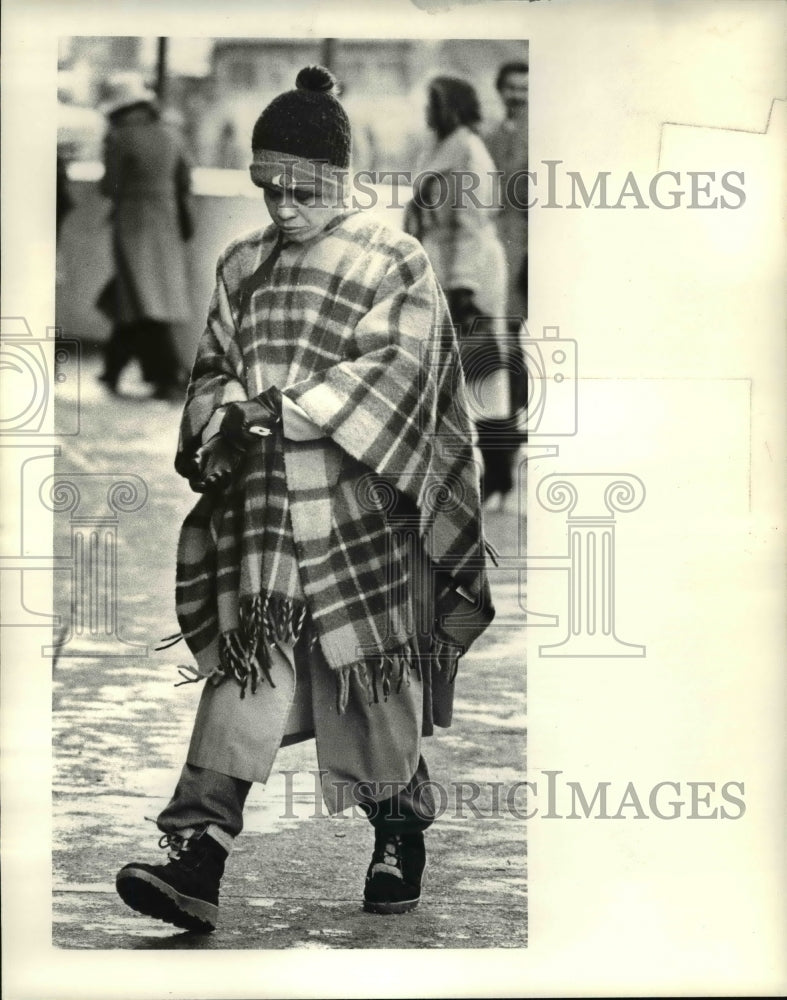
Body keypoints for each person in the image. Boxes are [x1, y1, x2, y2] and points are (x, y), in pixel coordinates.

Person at [115, 66, 494, 933]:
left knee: (369, 681)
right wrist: (217, 424)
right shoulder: (241, 262)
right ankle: (197, 855)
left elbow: (403, 374)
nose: (282, 207)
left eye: (301, 189)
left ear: (339, 178)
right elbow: (212, 366)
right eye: (269, 188)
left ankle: (399, 823)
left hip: (364, 506)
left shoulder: (390, 256)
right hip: (268, 509)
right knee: (250, 669)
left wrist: (280, 408)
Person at [404, 75, 517, 509]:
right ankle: (454, 475)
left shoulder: (468, 151)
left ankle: (498, 474)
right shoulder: (438, 147)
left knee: (482, 374)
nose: (427, 111)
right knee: (445, 377)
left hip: (466, 272)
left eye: (434, 103)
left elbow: (471, 225)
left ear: (451, 106)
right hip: (439, 267)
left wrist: (463, 289)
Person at [97, 73, 193, 400]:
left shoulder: (119, 137)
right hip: (166, 221)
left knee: (137, 299)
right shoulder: (172, 133)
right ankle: (113, 369)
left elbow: (109, 186)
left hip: (132, 222)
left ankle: (166, 375)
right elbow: (185, 180)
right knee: (144, 296)